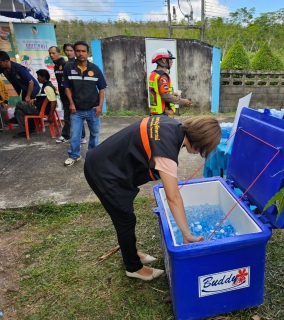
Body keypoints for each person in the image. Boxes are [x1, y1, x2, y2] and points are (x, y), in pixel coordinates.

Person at [84, 115, 221, 281]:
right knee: (125, 219)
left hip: (105, 160)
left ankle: (132, 252)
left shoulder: (170, 124)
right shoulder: (166, 151)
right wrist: (187, 234)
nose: (199, 153)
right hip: (103, 173)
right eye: (202, 149)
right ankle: (133, 268)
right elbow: (173, 197)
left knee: (125, 217)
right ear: (199, 143)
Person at [62, 40, 107, 167]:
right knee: (74, 135)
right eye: (78, 51)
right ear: (75, 52)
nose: (81, 53)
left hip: (93, 109)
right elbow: (67, 87)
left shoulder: (95, 69)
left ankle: (92, 155)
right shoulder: (69, 68)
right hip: (76, 110)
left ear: (87, 53)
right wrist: (71, 103)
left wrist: (100, 106)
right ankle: (74, 155)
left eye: (83, 51)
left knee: (95, 134)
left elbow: (102, 88)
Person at [48, 46, 86, 144]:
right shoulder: (56, 65)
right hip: (63, 94)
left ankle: (68, 135)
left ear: (59, 53)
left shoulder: (66, 65)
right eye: (50, 53)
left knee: (70, 116)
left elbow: (72, 82)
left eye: (53, 53)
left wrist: (71, 96)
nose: (51, 55)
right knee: (74, 116)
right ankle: (80, 136)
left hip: (69, 95)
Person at [0, 51, 40, 132]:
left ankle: (31, 129)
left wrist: (28, 96)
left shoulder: (19, 68)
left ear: (6, 61)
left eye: (0, 62)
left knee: (27, 106)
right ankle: (24, 128)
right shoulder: (3, 68)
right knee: (22, 107)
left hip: (32, 88)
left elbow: (31, 82)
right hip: (24, 88)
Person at [11, 69, 57, 138]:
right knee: (19, 112)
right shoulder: (46, 85)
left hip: (39, 110)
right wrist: (35, 100)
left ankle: (15, 119)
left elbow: (53, 101)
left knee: (19, 103)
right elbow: (43, 98)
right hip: (38, 108)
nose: (37, 78)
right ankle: (24, 131)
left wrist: (50, 115)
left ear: (43, 78)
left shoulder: (47, 87)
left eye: (38, 76)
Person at [149, 48, 191, 116]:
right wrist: (183, 101)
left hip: (155, 112)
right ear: (163, 60)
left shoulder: (153, 74)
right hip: (163, 114)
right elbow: (166, 96)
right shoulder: (162, 76)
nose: (172, 61)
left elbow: (157, 92)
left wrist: (173, 93)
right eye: (170, 59)